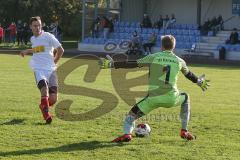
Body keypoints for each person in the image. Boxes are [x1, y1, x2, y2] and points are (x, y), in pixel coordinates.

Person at [99, 35, 210, 142]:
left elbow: (133, 64)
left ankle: (127, 134)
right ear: (174, 47)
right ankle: (184, 131)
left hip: (153, 99)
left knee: (130, 117)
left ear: (161, 46)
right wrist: (199, 82)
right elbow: (189, 74)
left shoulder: (153, 57)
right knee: (185, 97)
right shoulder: (179, 61)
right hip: (171, 98)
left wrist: (112, 64)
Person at [20, 16, 64, 124]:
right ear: (31, 27)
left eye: (39, 25)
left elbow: (60, 50)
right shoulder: (33, 39)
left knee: (53, 99)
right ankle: (47, 115)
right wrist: (28, 51)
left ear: (41, 25)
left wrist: (55, 61)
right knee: (44, 90)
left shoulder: (48, 36)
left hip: (51, 69)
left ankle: (43, 105)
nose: (37, 27)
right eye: (35, 26)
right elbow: (40, 48)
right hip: (39, 69)